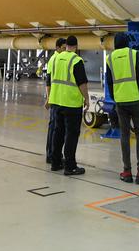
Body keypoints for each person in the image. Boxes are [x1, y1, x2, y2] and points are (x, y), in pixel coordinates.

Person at [105, 34, 139, 184]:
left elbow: (109, 82)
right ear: (127, 43)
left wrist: (116, 98)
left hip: (121, 102)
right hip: (135, 100)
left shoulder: (110, 58)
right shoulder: (133, 54)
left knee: (124, 135)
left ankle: (126, 172)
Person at [46, 35, 89, 176]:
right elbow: (82, 83)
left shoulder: (56, 58)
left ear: (66, 46)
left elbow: (49, 79)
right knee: (71, 134)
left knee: (58, 132)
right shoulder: (76, 60)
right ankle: (70, 166)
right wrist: (86, 98)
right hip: (71, 103)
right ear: (76, 46)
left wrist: (49, 98)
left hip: (56, 102)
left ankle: (55, 162)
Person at [44, 38, 67, 165]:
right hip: (54, 99)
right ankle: (51, 155)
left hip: (58, 98)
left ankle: (53, 154)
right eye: (63, 48)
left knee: (56, 128)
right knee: (54, 128)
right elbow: (48, 81)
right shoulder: (54, 59)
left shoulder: (59, 59)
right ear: (57, 48)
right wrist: (48, 98)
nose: (65, 50)